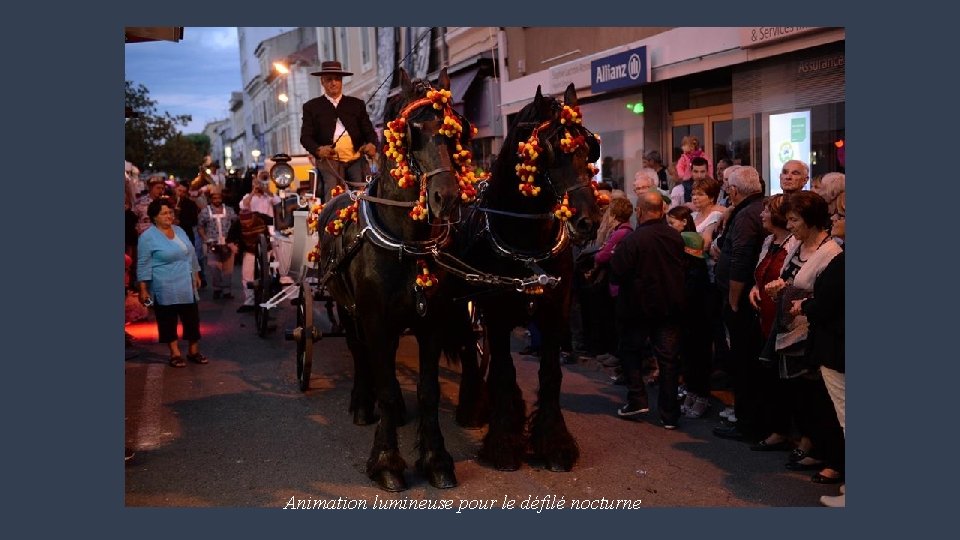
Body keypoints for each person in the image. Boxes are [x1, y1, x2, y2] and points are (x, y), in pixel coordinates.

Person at [610, 191, 686, 429]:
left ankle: (637, 399)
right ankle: (669, 413)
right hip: (669, 307)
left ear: (639, 211)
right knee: (668, 359)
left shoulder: (633, 240)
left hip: (637, 308)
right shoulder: (675, 237)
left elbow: (617, 273)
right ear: (662, 210)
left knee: (630, 352)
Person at [791, 192, 845, 507]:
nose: (835, 221)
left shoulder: (838, 256)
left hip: (837, 345)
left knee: (844, 415)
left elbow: (829, 302)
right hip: (834, 342)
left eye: (841, 215)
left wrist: (805, 305)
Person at [711, 166, 767, 441]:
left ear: (733, 190)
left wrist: (733, 301)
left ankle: (747, 423)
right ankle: (750, 420)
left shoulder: (746, 214)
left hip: (742, 302)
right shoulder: (754, 208)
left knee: (744, 363)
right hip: (746, 298)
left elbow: (741, 259)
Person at [137, 198, 206, 367]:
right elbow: (143, 263)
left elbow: (191, 253)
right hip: (164, 284)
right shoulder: (147, 237)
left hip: (186, 282)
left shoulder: (179, 230)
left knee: (191, 318)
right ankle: (174, 353)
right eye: (164, 213)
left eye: (170, 212)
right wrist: (143, 288)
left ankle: (193, 351)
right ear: (154, 217)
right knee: (168, 319)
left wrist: (196, 274)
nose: (169, 216)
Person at [300, 60, 378, 200]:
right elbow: (305, 137)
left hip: (356, 158)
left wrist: (372, 144)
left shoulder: (356, 104)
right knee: (333, 193)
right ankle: (332, 214)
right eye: (329, 79)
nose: (333, 83)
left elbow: (369, 131)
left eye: (337, 79)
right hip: (329, 160)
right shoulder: (311, 107)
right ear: (322, 82)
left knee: (364, 193)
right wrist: (318, 150)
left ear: (341, 81)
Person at [198, 186, 238, 300]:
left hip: (227, 243)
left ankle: (227, 291)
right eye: (214, 198)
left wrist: (234, 240)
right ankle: (217, 289)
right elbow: (200, 227)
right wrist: (205, 239)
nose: (217, 200)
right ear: (211, 199)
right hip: (212, 243)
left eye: (219, 198)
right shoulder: (205, 211)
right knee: (214, 267)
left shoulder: (229, 210)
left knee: (228, 269)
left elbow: (236, 223)